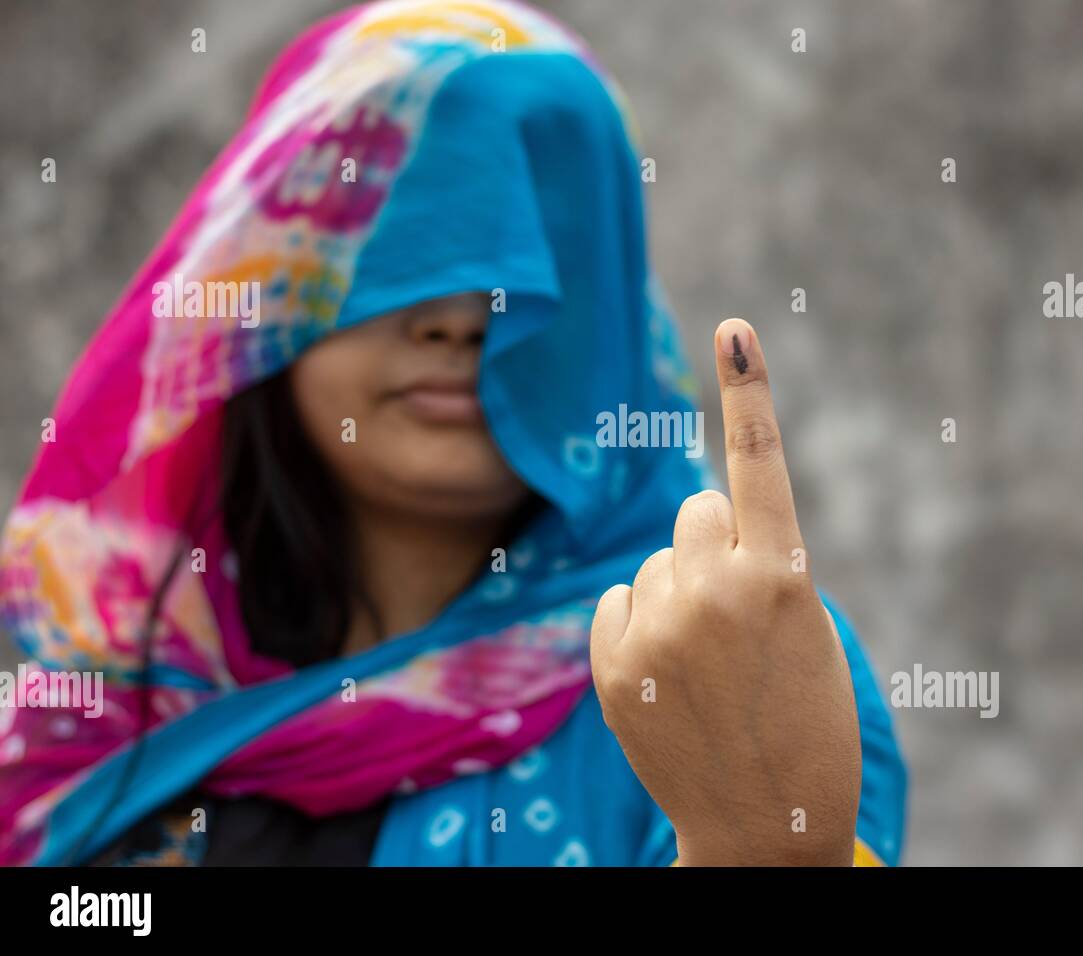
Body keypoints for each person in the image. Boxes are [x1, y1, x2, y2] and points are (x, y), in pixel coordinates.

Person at [0, 0, 905, 867]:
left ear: (609, 304)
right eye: (404, 245)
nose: (463, 320)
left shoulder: (725, 668)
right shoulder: (103, 697)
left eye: (531, 249)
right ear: (275, 282)